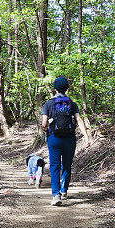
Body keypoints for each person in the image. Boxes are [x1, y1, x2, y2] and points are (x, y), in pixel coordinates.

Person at [41, 76, 91, 206]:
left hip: (54, 139)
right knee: (67, 165)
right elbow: (79, 120)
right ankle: (64, 191)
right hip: (70, 139)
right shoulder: (72, 103)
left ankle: (56, 195)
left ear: (55, 88)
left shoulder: (48, 103)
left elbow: (44, 123)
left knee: (55, 166)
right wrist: (86, 137)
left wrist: (47, 132)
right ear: (67, 88)